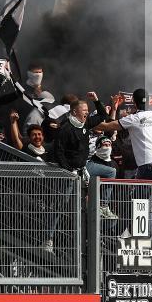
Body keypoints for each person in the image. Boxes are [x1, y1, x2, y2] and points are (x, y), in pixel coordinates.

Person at [45, 93, 108, 254]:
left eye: (87, 109)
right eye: (84, 110)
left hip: (83, 168)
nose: (87, 112)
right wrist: (69, 170)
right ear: (74, 112)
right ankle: (48, 239)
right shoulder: (66, 128)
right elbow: (58, 152)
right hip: (69, 173)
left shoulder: (85, 123)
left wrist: (96, 100)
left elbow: (103, 116)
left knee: (111, 171)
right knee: (61, 204)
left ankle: (104, 206)